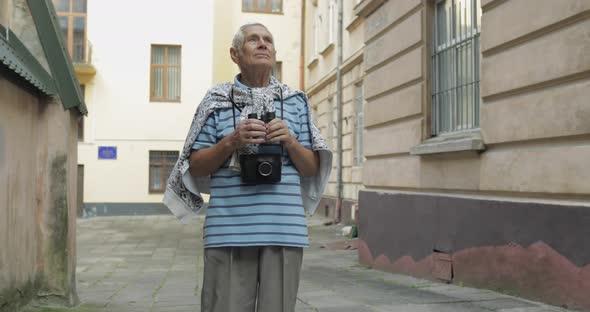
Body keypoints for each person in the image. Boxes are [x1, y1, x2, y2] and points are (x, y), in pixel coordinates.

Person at [163, 23, 332, 312]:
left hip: (284, 230)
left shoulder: (296, 101)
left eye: (268, 40)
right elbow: (196, 165)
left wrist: (290, 141)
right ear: (235, 54)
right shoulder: (216, 101)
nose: (263, 44)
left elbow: (311, 168)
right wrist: (232, 141)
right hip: (228, 230)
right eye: (253, 40)